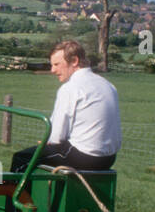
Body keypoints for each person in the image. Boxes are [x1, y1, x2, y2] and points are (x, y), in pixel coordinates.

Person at [11, 41, 121, 173]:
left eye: (57, 64)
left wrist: (46, 143)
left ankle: (15, 193)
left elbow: (56, 136)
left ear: (74, 61)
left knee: (21, 158)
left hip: (84, 156)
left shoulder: (71, 88)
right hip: (108, 158)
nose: (52, 70)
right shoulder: (107, 85)